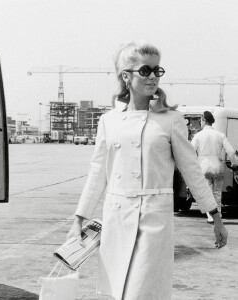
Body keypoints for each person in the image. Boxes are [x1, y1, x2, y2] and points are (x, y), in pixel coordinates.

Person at [67, 41, 228, 300]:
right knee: (118, 292)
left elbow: (191, 170)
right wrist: (79, 219)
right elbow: (98, 172)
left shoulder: (171, 120)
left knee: (142, 293)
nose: (153, 76)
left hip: (154, 220)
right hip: (117, 219)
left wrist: (215, 216)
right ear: (126, 76)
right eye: (145, 70)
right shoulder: (108, 121)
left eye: (157, 70)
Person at [191, 111, 237, 223]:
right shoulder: (220, 135)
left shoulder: (198, 136)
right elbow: (231, 151)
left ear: (204, 120)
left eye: (201, 120)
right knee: (217, 193)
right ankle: (218, 215)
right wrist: (234, 164)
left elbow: (190, 151)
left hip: (203, 166)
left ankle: (211, 216)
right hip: (217, 166)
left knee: (207, 193)